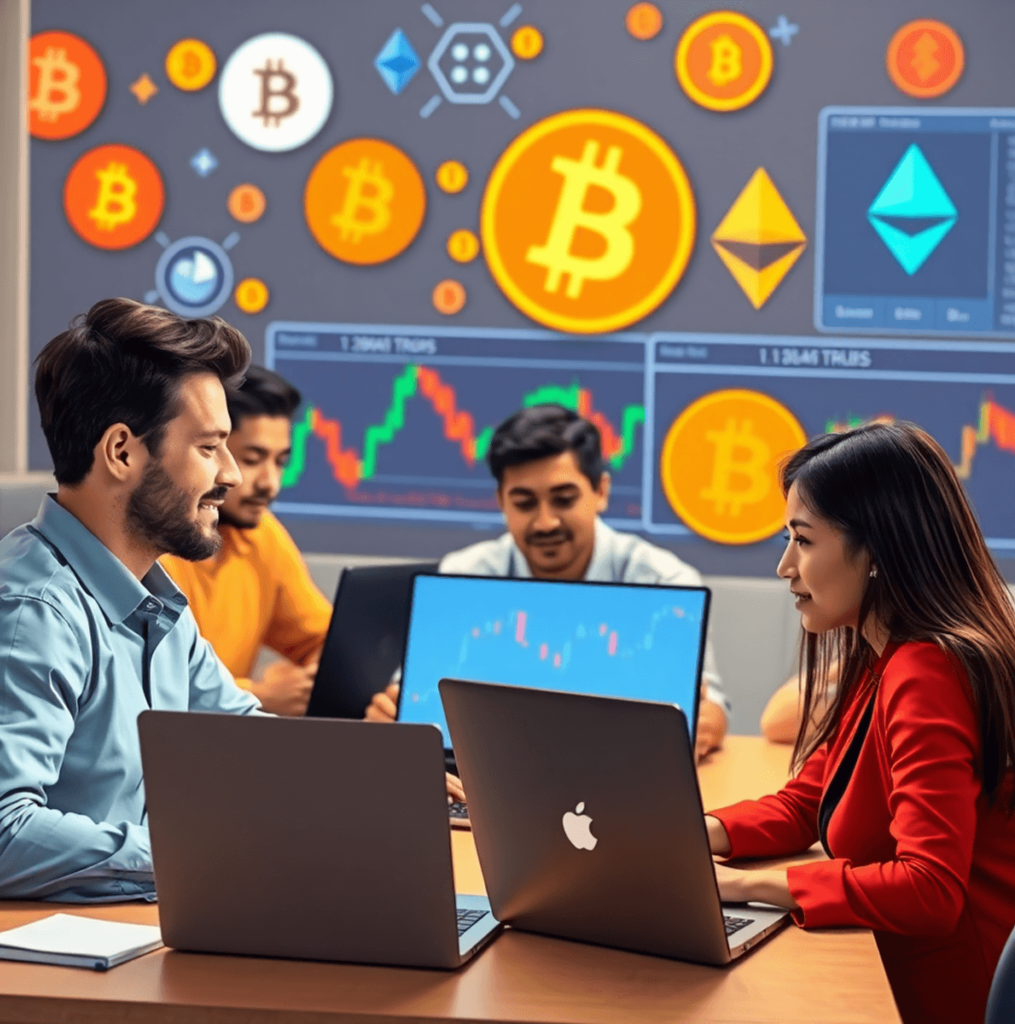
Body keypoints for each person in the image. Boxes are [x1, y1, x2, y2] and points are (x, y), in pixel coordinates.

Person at [704, 422, 1015, 1024]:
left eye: (803, 540)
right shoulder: (887, 655)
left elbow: (929, 888)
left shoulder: (929, 670)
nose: (784, 566)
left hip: (950, 995)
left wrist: (745, 888)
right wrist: (687, 836)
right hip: (898, 971)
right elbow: (807, 802)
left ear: (876, 551)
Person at [0, 298, 262, 902]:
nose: (232, 475)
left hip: (138, 936)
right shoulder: (32, 612)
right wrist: (189, 852)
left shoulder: (154, 607)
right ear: (121, 452)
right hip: (54, 976)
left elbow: (252, 746)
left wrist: (379, 783)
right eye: (209, 447)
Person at [368, 404, 730, 757]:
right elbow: (409, 699)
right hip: (485, 782)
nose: (545, 523)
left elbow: (709, 710)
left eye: (563, 500)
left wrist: (705, 723)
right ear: (501, 502)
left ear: (600, 491)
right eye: (524, 503)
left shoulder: (664, 582)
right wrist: (393, 714)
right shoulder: (462, 575)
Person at [161, 366, 331, 716]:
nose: (270, 483)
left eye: (280, 462)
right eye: (252, 459)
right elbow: (153, 682)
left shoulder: (262, 534)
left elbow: (323, 638)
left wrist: (316, 677)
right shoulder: (149, 548)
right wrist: (259, 695)